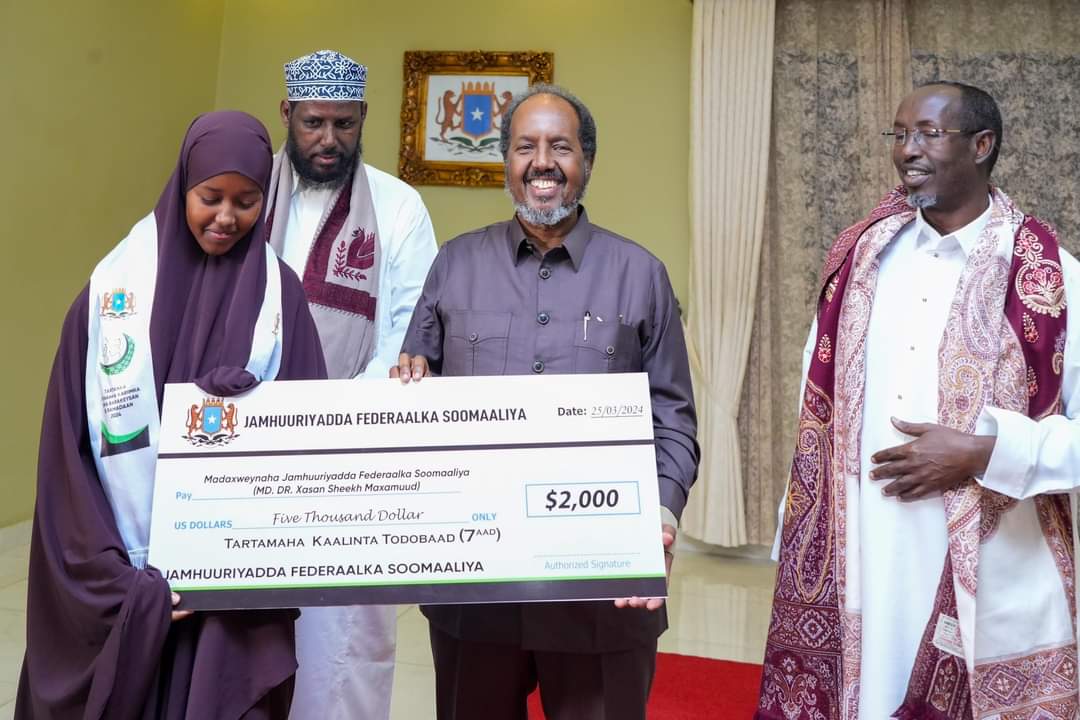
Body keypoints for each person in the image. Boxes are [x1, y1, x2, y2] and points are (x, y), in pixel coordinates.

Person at [757, 81, 1080, 719]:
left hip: (997, 565)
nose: (908, 150)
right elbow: (814, 407)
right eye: (900, 134)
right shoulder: (862, 258)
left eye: (929, 134)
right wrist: (797, 525)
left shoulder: (1050, 277)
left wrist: (985, 452)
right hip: (863, 552)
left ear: (981, 146)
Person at [394, 83, 699, 720]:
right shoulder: (454, 264)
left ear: (587, 160)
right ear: (505, 160)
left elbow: (672, 417)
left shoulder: (641, 274)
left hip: (602, 583)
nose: (542, 162)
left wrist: (660, 515)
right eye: (525, 146)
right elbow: (416, 394)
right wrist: (407, 394)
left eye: (560, 147)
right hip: (475, 581)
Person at [16, 111, 327, 719]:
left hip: (228, 581)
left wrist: (254, 412)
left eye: (247, 201)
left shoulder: (281, 297)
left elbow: (306, 436)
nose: (226, 217)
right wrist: (116, 580)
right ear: (183, 184)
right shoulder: (111, 293)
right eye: (210, 197)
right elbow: (68, 448)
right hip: (124, 560)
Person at [264, 49, 438, 720]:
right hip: (251, 443)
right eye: (313, 123)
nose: (328, 140)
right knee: (246, 621)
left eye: (344, 123)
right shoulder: (246, 192)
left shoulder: (398, 206)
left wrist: (334, 417)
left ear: (363, 116)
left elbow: (410, 328)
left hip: (353, 450)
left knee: (344, 637)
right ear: (287, 113)